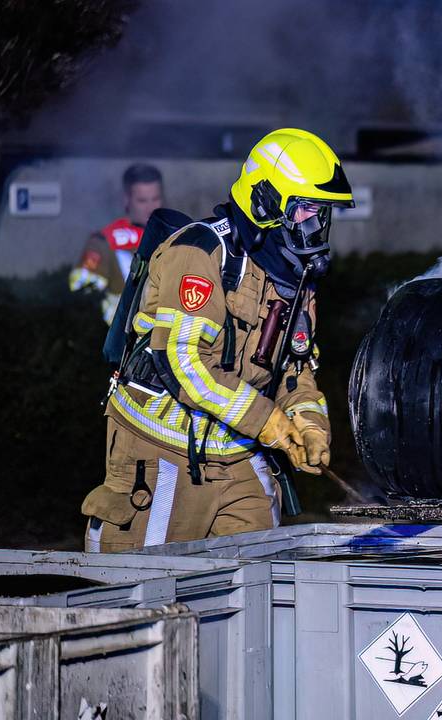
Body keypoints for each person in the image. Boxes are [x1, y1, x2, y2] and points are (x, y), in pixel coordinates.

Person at [81, 128, 353, 552]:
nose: (315, 226)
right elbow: (185, 363)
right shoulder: (200, 253)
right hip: (162, 450)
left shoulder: (296, 279)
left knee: (256, 573)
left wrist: (309, 425)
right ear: (265, 203)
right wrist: (268, 421)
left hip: (238, 454)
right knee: (144, 580)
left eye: (322, 214)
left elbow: (295, 369)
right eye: (305, 210)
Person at [69, 164, 165, 324]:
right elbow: (83, 295)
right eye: (142, 201)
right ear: (126, 199)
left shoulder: (175, 238)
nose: (150, 208)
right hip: (119, 332)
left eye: (155, 199)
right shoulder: (105, 241)